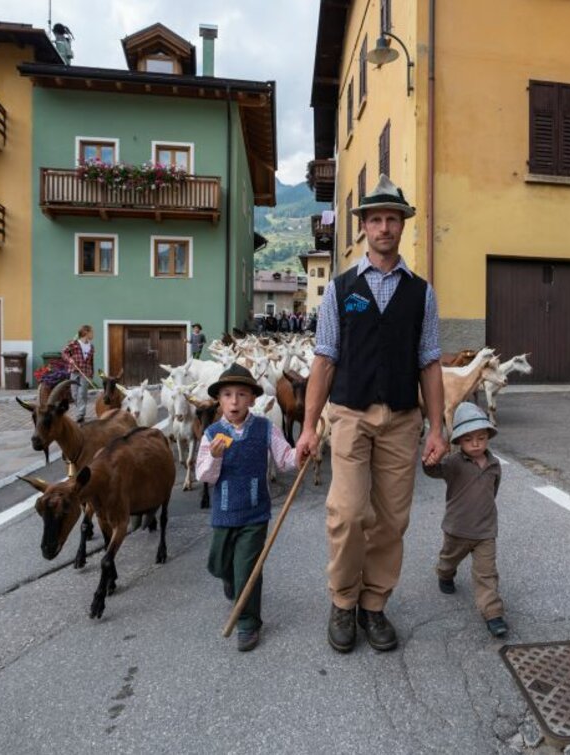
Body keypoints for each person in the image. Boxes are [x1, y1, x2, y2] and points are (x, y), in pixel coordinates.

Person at [295, 174, 447, 654]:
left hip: (402, 419)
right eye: (375, 219)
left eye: (392, 219)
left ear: (402, 226)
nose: (383, 227)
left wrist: (437, 428)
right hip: (348, 415)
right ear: (363, 228)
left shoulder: (421, 294)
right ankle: (343, 600)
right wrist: (307, 427)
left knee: (391, 520)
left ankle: (374, 605)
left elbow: (430, 361)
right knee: (346, 512)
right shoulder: (341, 290)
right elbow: (324, 359)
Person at [196, 364, 299, 652]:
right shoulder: (212, 434)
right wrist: (215, 457)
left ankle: (248, 623)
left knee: (248, 568)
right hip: (224, 512)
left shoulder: (266, 429)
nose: (234, 401)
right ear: (219, 400)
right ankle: (230, 579)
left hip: (255, 512)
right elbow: (203, 476)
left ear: (253, 399)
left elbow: (285, 460)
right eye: (227, 395)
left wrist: (301, 451)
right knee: (218, 564)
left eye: (242, 394)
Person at [423, 402, 508, 638]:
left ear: (488, 437)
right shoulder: (453, 463)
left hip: (485, 532)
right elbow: (434, 471)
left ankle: (493, 614)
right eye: (469, 439)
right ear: (459, 440)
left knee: (486, 573)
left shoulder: (494, 465)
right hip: (457, 529)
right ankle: (444, 573)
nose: (476, 443)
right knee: (449, 559)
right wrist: (428, 461)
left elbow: (493, 491)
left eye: (481, 437)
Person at [61, 324, 95, 423]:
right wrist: (69, 359)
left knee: (82, 394)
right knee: (74, 394)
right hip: (74, 371)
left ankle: (80, 414)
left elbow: (91, 361)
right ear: (86, 332)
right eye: (91, 332)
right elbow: (64, 353)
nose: (93, 334)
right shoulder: (74, 344)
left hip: (86, 372)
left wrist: (91, 374)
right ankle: (80, 411)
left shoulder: (91, 347)